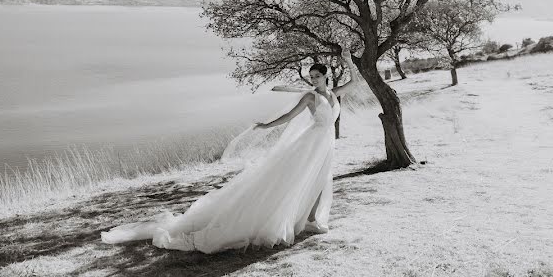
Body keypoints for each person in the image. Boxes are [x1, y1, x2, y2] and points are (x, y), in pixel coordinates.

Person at [100, 41, 367, 253]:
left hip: (325, 143)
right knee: (299, 180)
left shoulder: (332, 94)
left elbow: (355, 84)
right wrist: (265, 126)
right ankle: (300, 220)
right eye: (312, 76)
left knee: (321, 181)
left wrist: (349, 62)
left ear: (326, 76)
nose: (314, 80)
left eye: (318, 76)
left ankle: (310, 219)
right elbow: (288, 118)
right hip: (310, 144)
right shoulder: (310, 97)